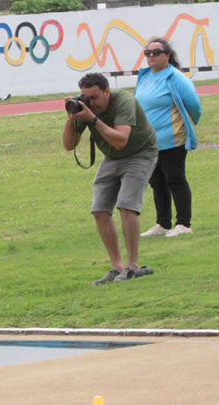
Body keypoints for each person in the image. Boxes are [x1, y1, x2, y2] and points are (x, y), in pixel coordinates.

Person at [62, 72, 158, 285]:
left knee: (126, 206)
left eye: (95, 97)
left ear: (107, 91)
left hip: (140, 153)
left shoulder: (123, 100)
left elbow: (121, 140)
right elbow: (69, 145)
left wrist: (92, 119)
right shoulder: (85, 108)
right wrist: (72, 117)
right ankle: (117, 267)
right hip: (112, 157)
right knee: (99, 210)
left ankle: (132, 266)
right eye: (86, 97)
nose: (91, 102)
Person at [134, 37, 202, 238]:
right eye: (148, 53)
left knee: (175, 179)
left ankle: (183, 224)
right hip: (148, 142)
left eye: (156, 52)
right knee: (156, 182)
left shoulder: (176, 77)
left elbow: (194, 106)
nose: (151, 56)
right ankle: (163, 224)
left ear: (168, 55)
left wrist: (186, 125)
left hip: (172, 140)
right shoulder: (145, 76)